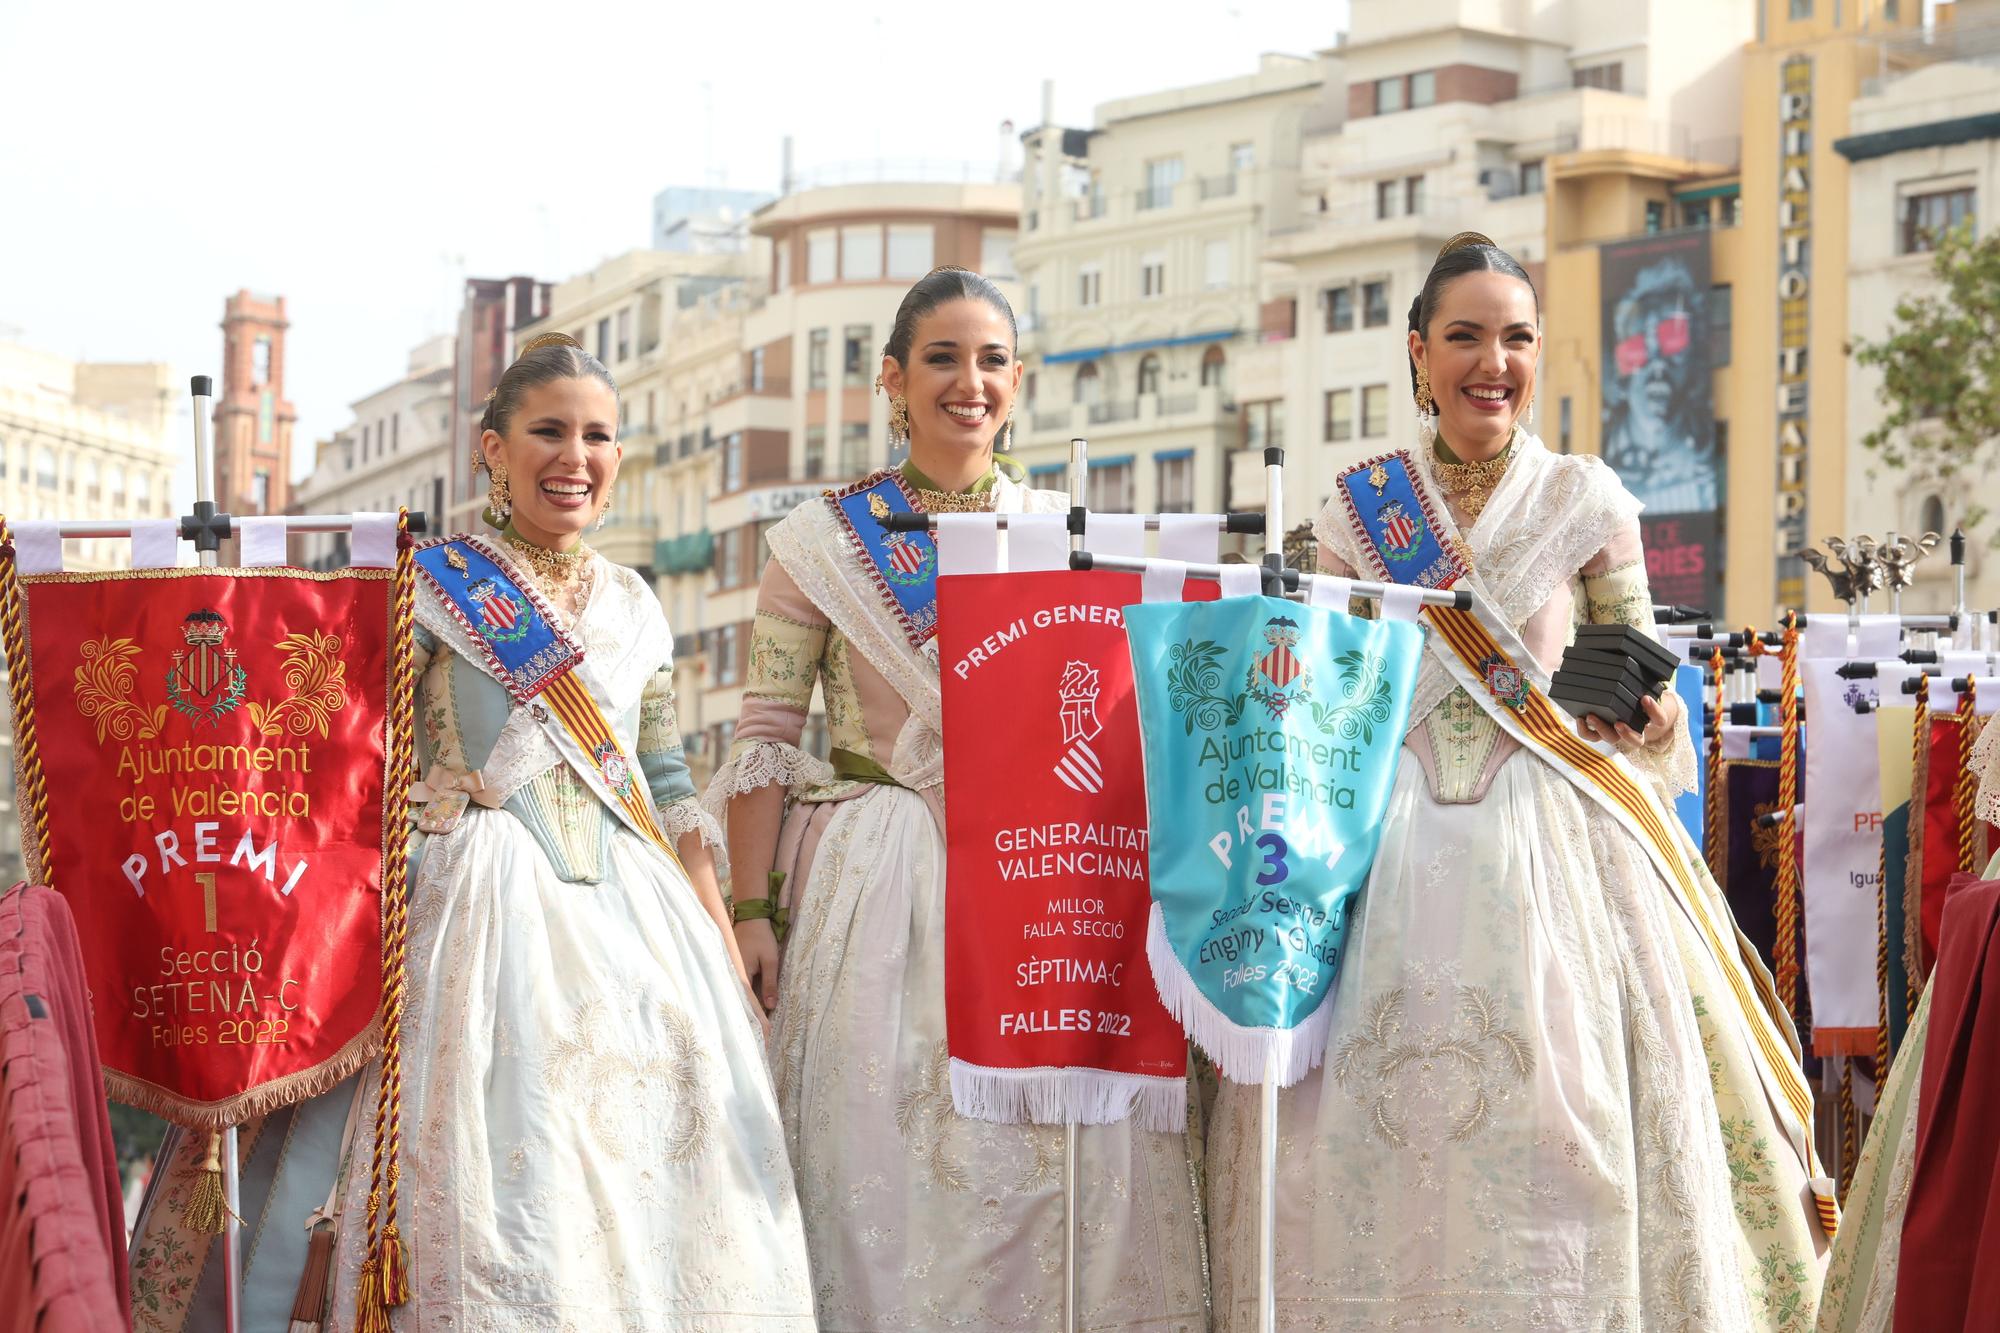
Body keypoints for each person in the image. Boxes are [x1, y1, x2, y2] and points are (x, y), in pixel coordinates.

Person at [1204, 234, 1832, 1329]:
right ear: (1417, 353)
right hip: (1383, 846)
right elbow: (1320, 695)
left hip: (1553, 826)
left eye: (1515, 337)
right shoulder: (1358, 511)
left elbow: (1633, 663)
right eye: (1463, 337)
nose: (1490, 361)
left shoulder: (1584, 497)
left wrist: (1651, 708)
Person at [126, 333, 814, 1332]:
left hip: (640, 920)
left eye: (596, 435)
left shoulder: (634, 605)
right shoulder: (428, 583)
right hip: (466, 899)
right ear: (493, 449)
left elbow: (665, 783)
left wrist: (719, 937)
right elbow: (343, 755)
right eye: (546, 431)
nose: (572, 457)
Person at [710, 267, 1207, 1332]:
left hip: (1046, 883)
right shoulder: (818, 543)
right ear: (892, 379)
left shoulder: (1077, 537)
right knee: (882, 1156)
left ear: (1018, 382)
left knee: (1053, 1164)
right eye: (940, 358)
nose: (966, 383)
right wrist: (750, 916)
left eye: (990, 362)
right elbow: (764, 736)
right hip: (879, 882)